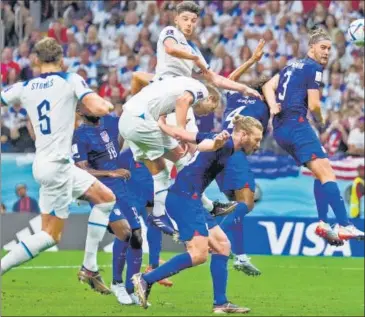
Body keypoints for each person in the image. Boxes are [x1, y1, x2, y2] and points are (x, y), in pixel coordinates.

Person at [0, 38, 116, 295]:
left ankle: (89, 266)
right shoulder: (69, 79)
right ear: (61, 59)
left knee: (106, 198)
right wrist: (107, 105)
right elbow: (97, 107)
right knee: (50, 236)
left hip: (46, 162)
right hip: (58, 167)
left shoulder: (25, 86)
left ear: (35, 61)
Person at [146, 0, 261, 229]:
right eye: (185, 19)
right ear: (177, 19)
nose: (189, 24)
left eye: (193, 21)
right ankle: (171, 211)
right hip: (167, 97)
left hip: (183, 103)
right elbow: (170, 49)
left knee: (193, 156)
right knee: (177, 156)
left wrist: (244, 87)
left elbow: (215, 79)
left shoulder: (193, 49)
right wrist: (195, 59)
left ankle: (199, 207)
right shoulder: (170, 33)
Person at [132, 115, 264, 313]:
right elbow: (209, 145)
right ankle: (145, 279)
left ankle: (220, 303)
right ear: (244, 135)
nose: (258, 144)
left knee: (222, 246)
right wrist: (215, 143)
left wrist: (163, 125)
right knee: (198, 255)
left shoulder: (223, 141)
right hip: (183, 199)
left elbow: (183, 134)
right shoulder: (224, 144)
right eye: (257, 139)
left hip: (192, 198)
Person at [262, 28, 364, 244]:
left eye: (329, 48)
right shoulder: (314, 68)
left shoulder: (290, 66)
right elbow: (315, 104)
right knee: (328, 173)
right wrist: (321, 121)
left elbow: (267, 86)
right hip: (298, 126)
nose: (327, 52)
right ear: (311, 48)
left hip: (281, 131)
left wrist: (273, 106)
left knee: (320, 172)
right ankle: (345, 225)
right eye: (323, 48)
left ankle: (322, 223)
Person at [119, 75, 221, 240]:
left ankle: (160, 214)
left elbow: (162, 119)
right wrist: (181, 130)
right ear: (210, 97)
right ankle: (205, 205)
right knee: (180, 157)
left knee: (160, 168)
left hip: (127, 120)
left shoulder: (174, 86)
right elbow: (183, 100)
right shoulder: (199, 89)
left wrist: (179, 133)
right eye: (211, 108)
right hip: (140, 121)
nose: (206, 114)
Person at [72, 114, 142, 304]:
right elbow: (81, 170)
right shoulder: (79, 135)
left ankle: (132, 289)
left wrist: (124, 135)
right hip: (102, 191)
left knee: (137, 237)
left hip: (122, 187)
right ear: (80, 111)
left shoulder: (109, 122)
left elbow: (114, 149)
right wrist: (110, 172)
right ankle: (117, 283)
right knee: (125, 233)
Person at [212, 40, 268, 276]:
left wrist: (252, 61)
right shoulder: (266, 106)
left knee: (236, 209)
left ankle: (241, 256)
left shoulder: (237, 94)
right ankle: (212, 237)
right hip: (234, 154)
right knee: (246, 203)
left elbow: (229, 78)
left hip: (218, 150)